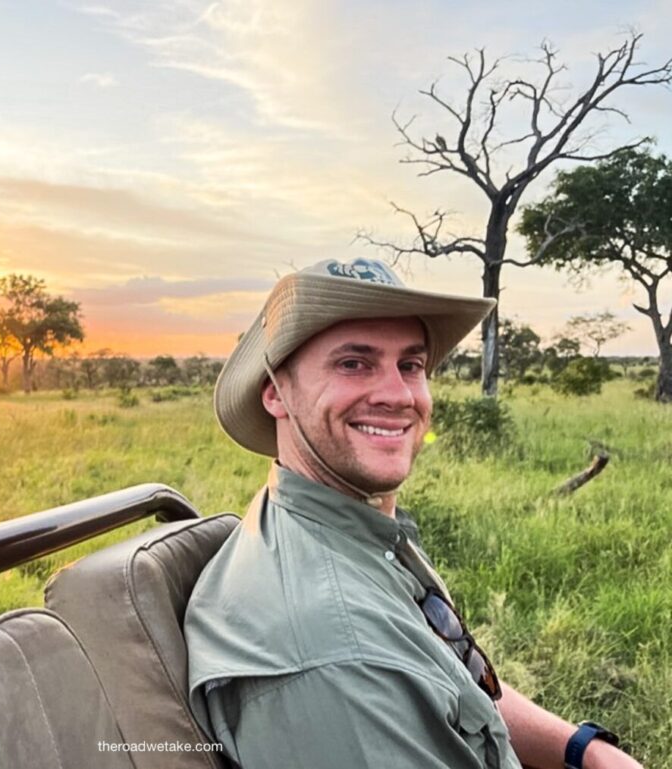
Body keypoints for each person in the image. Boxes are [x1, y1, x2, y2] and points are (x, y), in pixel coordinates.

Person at [183, 259, 640, 769]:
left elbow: (453, 679)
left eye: (411, 365)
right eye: (353, 363)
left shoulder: (350, 526)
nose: (399, 396)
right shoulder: (338, 655)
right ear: (276, 393)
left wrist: (588, 752)